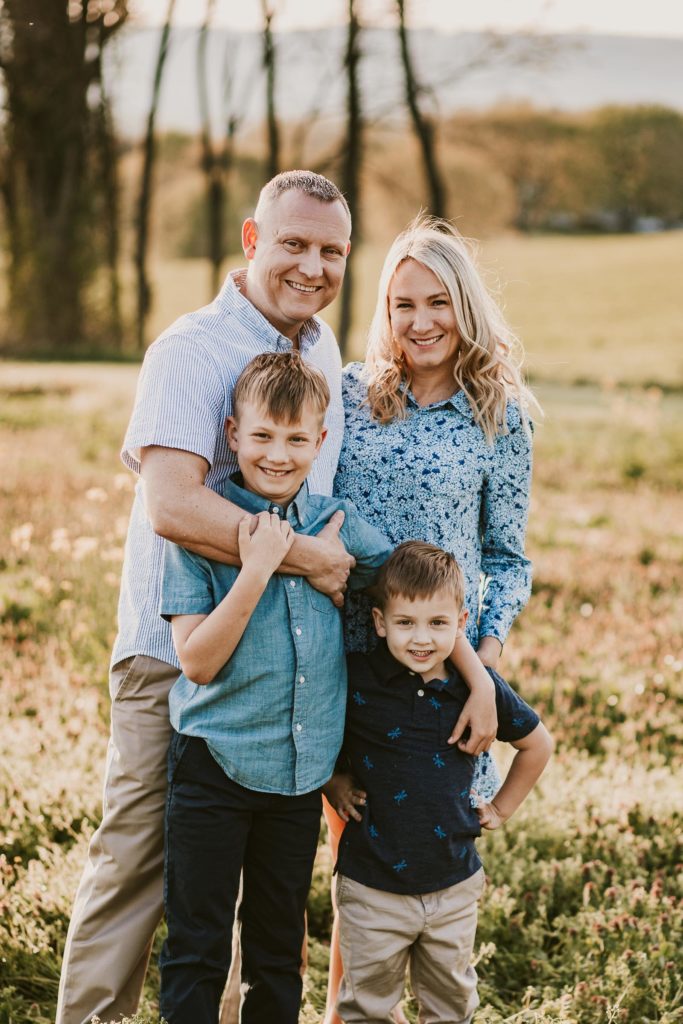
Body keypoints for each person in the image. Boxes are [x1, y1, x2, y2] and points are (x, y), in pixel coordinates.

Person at [56, 170, 359, 1024]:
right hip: (174, 653)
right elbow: (174, 505)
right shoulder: (191, 349)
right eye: (293, 243)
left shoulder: (323, 349)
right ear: (251, 239)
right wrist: (311, 562)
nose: (312, 266)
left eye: (331, 251)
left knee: (237, 885)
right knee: (138, 860)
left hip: (285, 672)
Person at [323, 215, 540, 1023]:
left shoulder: (498, 417)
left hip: (443, 667)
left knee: (421, 855)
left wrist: (478, 672)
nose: (420, 322)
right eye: (402, 303)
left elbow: (507, 557)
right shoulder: (348, 393)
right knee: (355, 857)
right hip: (343, 662)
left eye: (438, 302)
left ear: (466, 307)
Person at [158, 352, 394, 1023]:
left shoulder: (334, 524)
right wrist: (260, 565)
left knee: (277, 951)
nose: (278, 455)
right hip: (214, 763)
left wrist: (472, 665)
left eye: (296, 439)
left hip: (299, 776)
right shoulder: (204, 530)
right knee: (197, 948)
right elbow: (197, 663)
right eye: (262, 436)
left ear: (319, 442)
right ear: (232, 433)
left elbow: (399, 584)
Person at [324, 542, 554, 1023]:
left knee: (450, 1007)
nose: (421, 639)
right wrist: (333, 781)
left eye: (437, 623)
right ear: (381, 622)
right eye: (405, 623)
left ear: (462, 622)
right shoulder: (356, 680)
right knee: (367, 1008)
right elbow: (312, 731)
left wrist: (500, 808)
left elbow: (538, 745)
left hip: (452, 886)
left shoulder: (476, 689)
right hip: (372, 888)